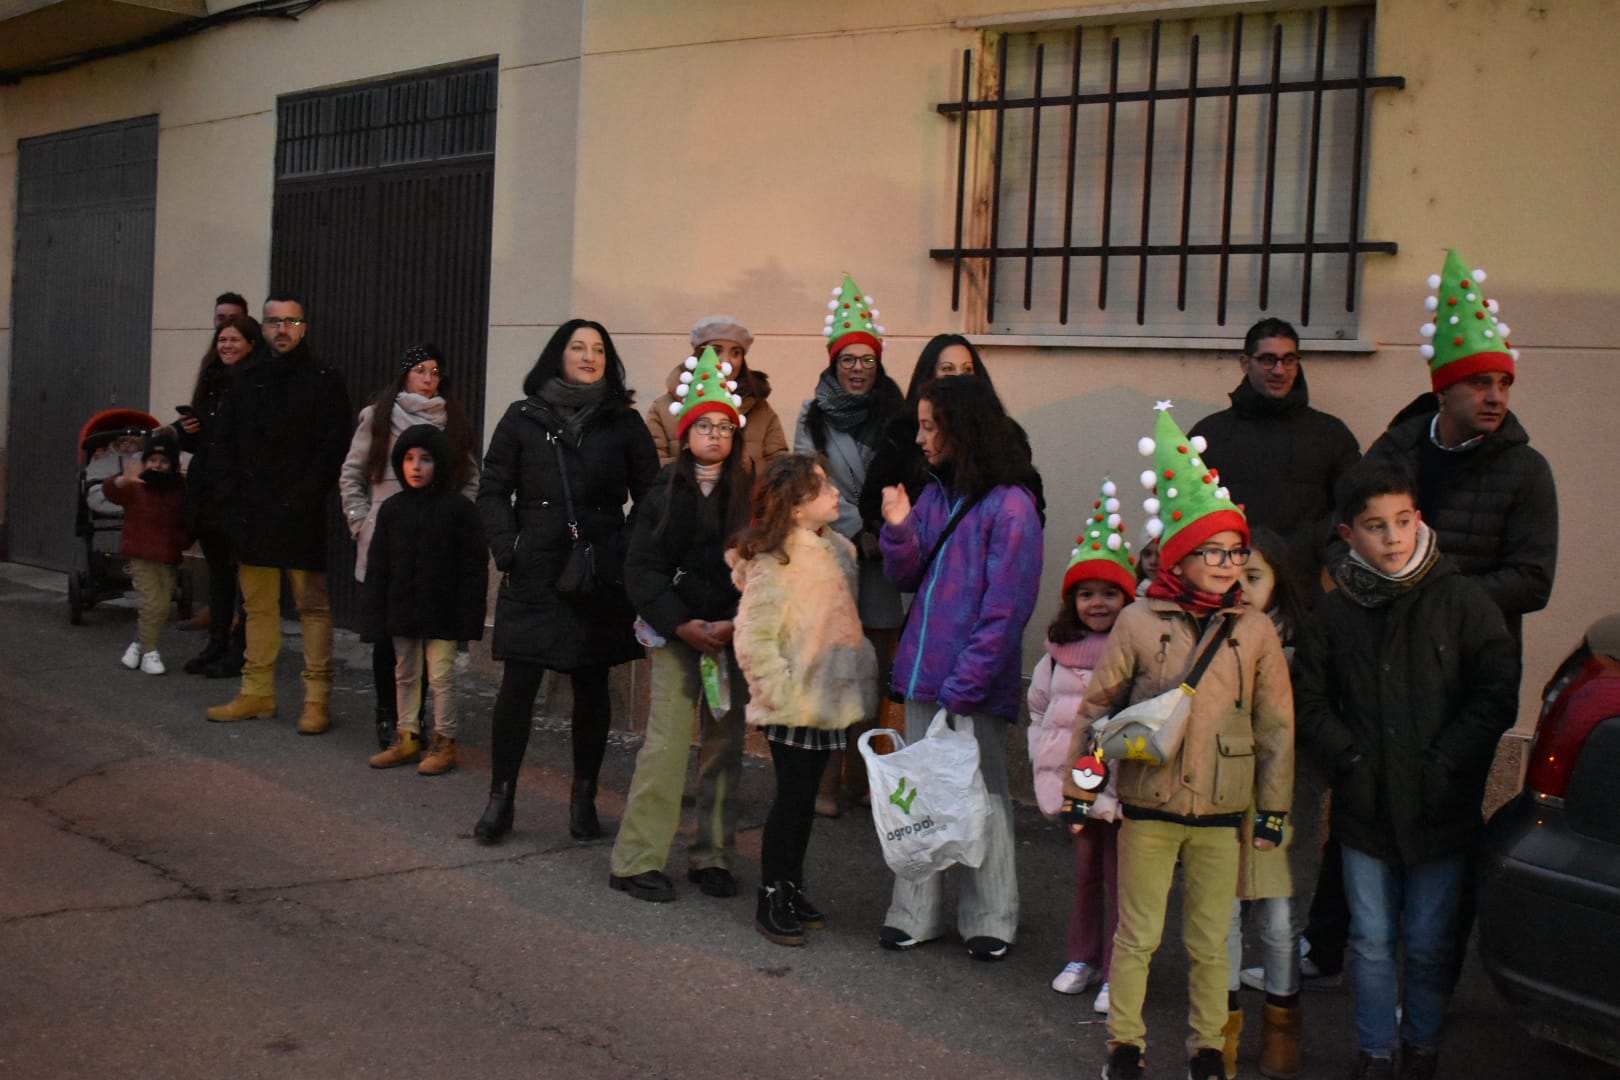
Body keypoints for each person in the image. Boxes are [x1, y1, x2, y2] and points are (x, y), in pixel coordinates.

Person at [1083, 403, 1293, 1080]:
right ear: (1180, 554)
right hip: (1149, 803)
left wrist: (1274, 809)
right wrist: (1080, 787)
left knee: (1209, 942)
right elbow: (1099, 706)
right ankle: (1126, 1044)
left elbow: (1277, 725)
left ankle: (1207, 1047)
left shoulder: (1255, 631)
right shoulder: (1141, 622)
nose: (1229, 564)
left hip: (1222, 811)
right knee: (1138, 936)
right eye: (1214, 551)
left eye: (1237, 552)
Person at [1293, 460, 1519, 1080]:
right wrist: (1350, 760)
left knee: (1428, 941)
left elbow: (1495, 692)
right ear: (1348, 535)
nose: (1392, 538)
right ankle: (1373, 1049)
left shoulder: (1462, 601)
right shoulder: (1336, 615)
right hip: (1365, 805)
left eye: (1401, 521)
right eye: (1374, 526)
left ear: (1419, 520)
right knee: (1368, 938)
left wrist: (1447, 761)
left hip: (1440, 803)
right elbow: (1310, 700)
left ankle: (1422, 1046)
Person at [876, 375, 1043, 962]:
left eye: (929, 426)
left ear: (961, 428)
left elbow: (1007, 608)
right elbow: (904, 575)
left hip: (971, 684)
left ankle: (991, 917)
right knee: (919, 796)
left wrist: (966, 684)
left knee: (987, 797)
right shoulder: (934, 494)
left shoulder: (1013, 505)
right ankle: (914, 913)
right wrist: (898, 526)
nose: (920, 438)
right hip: (924, 676)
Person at [473, 318, 659, 844]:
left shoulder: (622, 421)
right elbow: (491, 490)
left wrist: (622, 548)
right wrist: (509, 547)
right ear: (558, 355)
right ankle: (500, 798)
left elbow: (651, 493)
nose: (588, 356)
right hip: (534, 568)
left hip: (597, 571)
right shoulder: (521, 417)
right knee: (518, 685)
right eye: (578, 347)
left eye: (598, 348)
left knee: (592, 685)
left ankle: (583, 798)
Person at [609, 346, 753, 903]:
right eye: (704, 426)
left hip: (729, 637)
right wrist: (680, 622)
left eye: (724, 426)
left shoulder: (748, 490)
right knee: (667, 743)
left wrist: (735, 624)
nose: (715, 436)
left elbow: (762, 564)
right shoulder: (664, 490)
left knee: (725, 744)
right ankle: (637, 858)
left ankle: (712, 855)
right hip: (676, 635)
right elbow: (639, 567)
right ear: (686, 432)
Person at [1359, 250, 1557, 644]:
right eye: (1480, 383)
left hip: (1476, 654)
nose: (1496, 398)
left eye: (1504, 384)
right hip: (1384, 649)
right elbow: (1340, 538)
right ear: (1443, 390)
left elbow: (1532, 581)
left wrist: (1437, 598)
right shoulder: (1393, 449)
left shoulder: (1526, 469)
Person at [729, 454, 878, 945]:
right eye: (820, 489)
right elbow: (753, 636)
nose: (834, 494)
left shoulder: (837, 550)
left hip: (828, 697)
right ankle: (771, 892)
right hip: (794, 701)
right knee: (791, 802)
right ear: (795, 509)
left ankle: (792, 886)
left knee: (807, 799)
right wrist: (780, 693)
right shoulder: (778, 559)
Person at [206, 294, 352, 733]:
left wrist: (305, 497)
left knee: (312, 605)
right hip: (253, 513)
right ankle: (257, 692)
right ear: (262, 327)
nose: (282, 328)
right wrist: (231, 500)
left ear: (303, 327)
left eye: (291, 320)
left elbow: (334, 446)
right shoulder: (244, 379)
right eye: (273, 321)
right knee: (258, 606)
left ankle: (316, 698)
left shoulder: (325, 379)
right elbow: (224, 445)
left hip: (301, 511)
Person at [795, 275, 906, 818]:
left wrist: (881, 532)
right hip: (834, 559)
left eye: (867, 359)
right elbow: (805, 483)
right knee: (833, 667)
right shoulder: (810, 414)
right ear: (833, 362)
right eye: (848, 360)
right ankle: (822, 783)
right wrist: (852, 529)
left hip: (884, 560)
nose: (858, 368)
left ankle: (866, 777)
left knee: (878, 673)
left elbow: (908, 478)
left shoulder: (898, 415)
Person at [1027, 480, 1134, 1013]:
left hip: (1123, 787)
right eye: (1087, 593)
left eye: (1110, 593)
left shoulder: (1134, 654)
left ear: (1127, 599)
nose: (1097, 603)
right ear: (1073, 599)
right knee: (1087, 872)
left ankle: (1120, 971)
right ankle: (1082, 957)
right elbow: (1039, 711)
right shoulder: (1056, 654)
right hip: (1076, 785)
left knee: (1124, 880)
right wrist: (1045, 762)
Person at [339, 344, 479, 749]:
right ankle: (392, 717)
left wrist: (455, 517)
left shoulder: (452, 420)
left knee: (429, 641)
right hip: (386, 538)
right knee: (389, 638)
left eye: (435, 371)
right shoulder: (379, 416)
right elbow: (352, 473)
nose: (428, 378)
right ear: (404, 375)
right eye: (420, 370)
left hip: (436, 542)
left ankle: (423, 726)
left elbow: (470, 476)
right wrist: (360, 522)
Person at [1224, 528, 1312, 1080]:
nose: (1241, 587)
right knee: (1222, 917)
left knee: (1279, 922)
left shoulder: (1302, 649)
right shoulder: (1211, 636)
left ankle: (1282, 1029)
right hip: (1222, 796)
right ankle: (1223, 1027)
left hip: (1279, 798)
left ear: (1279, 585)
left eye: (1254, 577)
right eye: (1234, 575)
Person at [1188, 318, 1361, 584]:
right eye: (1268, 359)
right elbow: (1187, 513)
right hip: (1228, 586)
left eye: (1289, 359)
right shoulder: (1209, 434)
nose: (1279, 370)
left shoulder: (1331, 434)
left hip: (1304, 590)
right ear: (1245, 363)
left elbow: (1354, 508)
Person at [361, 424, 486, 776]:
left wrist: (468, 616)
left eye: (426, 459)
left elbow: (473, 568)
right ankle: (407, 735)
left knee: (441, 675)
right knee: (405, 673)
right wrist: (376, 615)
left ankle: (445, 740)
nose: (416, 467)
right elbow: (378, 568)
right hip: (402, 610)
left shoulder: (458, 510)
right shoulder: (392, 510)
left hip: (443, 613)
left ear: (441, 464)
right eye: (409, 459)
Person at [861, 333, 1045, 523]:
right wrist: (905, 529)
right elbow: (874, 503)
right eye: (947, 369)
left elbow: (1030, 507)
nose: (958, 379)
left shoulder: (1004, 435)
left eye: (967, 370)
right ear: (929, 377)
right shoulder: (903, 433)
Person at [172, 313, 262, 677]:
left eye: (234, 340)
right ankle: (216, 643)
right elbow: (206, 443)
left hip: (238, 496)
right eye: (222, 340)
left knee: (243, 580)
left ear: (251, 345)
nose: (226, 346)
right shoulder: (211, 384)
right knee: (219, 576)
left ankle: (240, 649)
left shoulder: (256, 387)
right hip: (207, 492)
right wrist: (185, 431)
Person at [645, 314, 788, 472]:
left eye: (735, 353)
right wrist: (699, 465)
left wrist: (751, 467)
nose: (726, 361)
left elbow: (780, 466)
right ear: (699, 355)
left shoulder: (762, 410)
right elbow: (650, 467)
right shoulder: (663, 409)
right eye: (716, 351)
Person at [102, 429, 190, 676]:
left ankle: (137, 644)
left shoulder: (179, 488)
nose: (157, 466)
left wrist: (183, 540)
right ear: (145, 462)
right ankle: (150, 652)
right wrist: (123, 480)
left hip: (168, 555)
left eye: (163, 462)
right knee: (152, 604)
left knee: (162, 606)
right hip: (141, 555)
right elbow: (111, 490)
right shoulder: (137, 486)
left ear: (172, 465)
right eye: (153, 460)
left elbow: (187, 520)